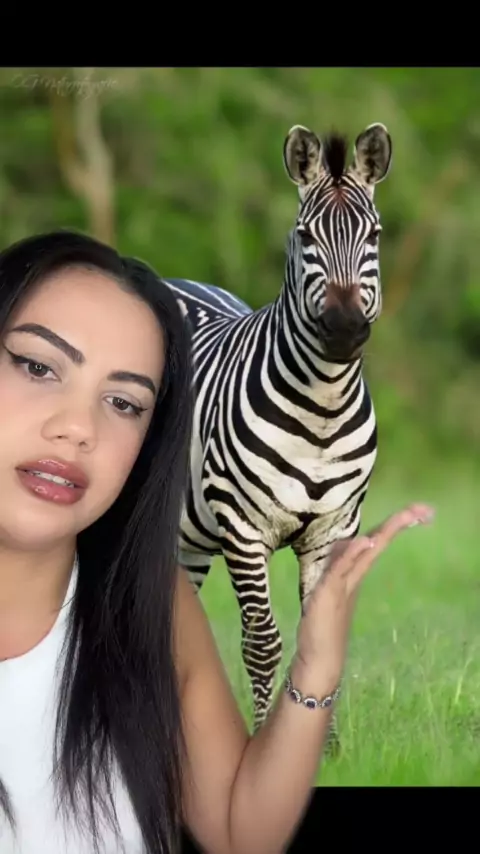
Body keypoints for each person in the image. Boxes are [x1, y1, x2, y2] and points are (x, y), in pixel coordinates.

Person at [0, 228, 434, 854]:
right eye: (39, 367)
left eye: (124, 403)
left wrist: (315, 662)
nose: (77, 428)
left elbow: (239, 833)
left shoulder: (152, 602)